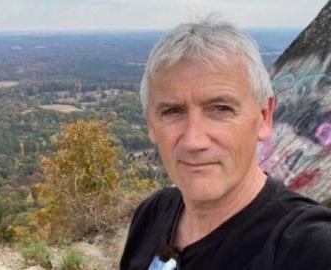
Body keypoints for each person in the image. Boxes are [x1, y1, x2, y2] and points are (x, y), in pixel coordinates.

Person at [120, 17, 331, 270]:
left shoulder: (307, 248)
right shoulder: (152, 215)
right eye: (172, 111)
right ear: (151, 125)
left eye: (221, 109)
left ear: (264, 117)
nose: (193, 140)